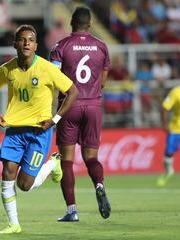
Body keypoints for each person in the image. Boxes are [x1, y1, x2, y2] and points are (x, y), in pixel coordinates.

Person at [0, 24, 79, 234]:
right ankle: (13, 224)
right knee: (7, 172)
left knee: (25, 185)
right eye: (22, 39)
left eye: (30, 39)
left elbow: (72, 91)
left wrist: (55, 119)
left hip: (39, 132)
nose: (26, 42)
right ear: (15, 44)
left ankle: (53, 164)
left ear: (36, 45)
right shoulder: (7, 69)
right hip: (14, 131)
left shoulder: (47, 68)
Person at [49, 6, 111, 222]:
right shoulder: (101, 46)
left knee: (67, 161)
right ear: (90, 24)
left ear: (71, 22)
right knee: (91, 157)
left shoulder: (61, 46)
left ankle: (72, 210)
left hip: (69, 106)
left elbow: (53, 79)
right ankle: (100, 185)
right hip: (93, 106)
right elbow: (102, 81)